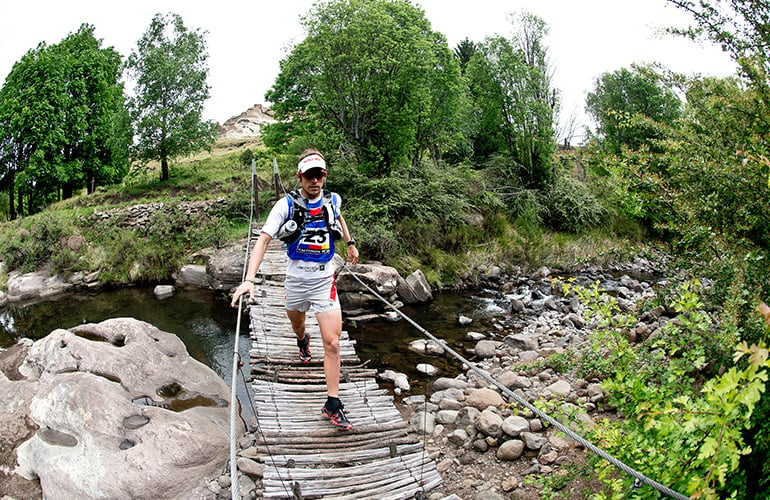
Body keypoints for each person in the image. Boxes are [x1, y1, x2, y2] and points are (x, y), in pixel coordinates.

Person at [231, 148, 359, 431]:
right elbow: (263, 240)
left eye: (320, 175)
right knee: (297, 323)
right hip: (296, 280)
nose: (315, 181)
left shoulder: (333, 199)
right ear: (300, 177)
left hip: (325, 280)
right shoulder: (284, 206)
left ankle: (333, 404)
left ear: (325, 176)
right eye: (310, 176)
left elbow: (338, 217)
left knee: (333, 343)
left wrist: (350, 243)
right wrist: (250, 279)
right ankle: (302, 340)